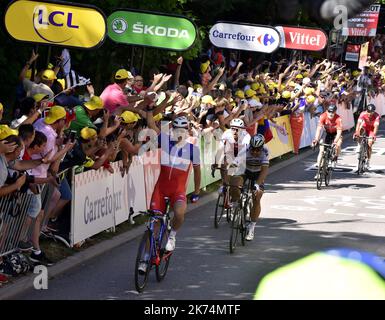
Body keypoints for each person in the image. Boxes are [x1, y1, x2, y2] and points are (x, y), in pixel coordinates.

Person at [144, 113, 201, 255]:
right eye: (176, 130)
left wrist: (197, 191)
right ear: (172, 129)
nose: (179, 133)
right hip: (160, 189)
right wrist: (150, 107)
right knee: (153, 224)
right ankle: (145, 258)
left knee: (179, 213)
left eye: (182, 130)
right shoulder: (164, 141)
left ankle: (172, 236)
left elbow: (197, 172)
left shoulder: (193, 150)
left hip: (178, 190)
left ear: (187, 131)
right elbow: (151, 124)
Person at [228, 134, 269, 241]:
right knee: (234, 185)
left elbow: (264, 171)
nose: (255, 152)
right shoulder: (245, 151)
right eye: (253, 149)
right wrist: (228, 178)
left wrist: (257, 185)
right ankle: (236, 205)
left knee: (257, 196)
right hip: (245, 171)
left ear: (261, 148)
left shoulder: (264, 152)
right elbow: (234, 166)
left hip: (258, 173)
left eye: (257, 150)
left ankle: (252, 227)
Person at [312, 104, 343, 177]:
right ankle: (319, 170)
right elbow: (319, 129)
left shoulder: (338, 119)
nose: (331, 113)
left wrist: (335, 142)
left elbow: (339, 133)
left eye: (333, 112)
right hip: (327, 133)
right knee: (321, 149)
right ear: (327, 111)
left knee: (338, 145)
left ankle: (335, 158)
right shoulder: (323, 116)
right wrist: (316, 139)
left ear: (335, 112)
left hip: (335, 134)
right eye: (329, 111)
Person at [353, 103, 380, 169]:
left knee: (369, 144)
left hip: (371, 129)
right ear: (366, 111)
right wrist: (357, 132)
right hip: (364, 127)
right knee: (360, 129)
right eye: (368, 112)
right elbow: (358, 124)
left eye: (371, 112)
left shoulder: (377, 116)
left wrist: (373, 135)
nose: (369, 114)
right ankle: (359, 145)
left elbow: (376, 127)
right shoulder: (363, 113)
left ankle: (368, 160)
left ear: (374, 112)